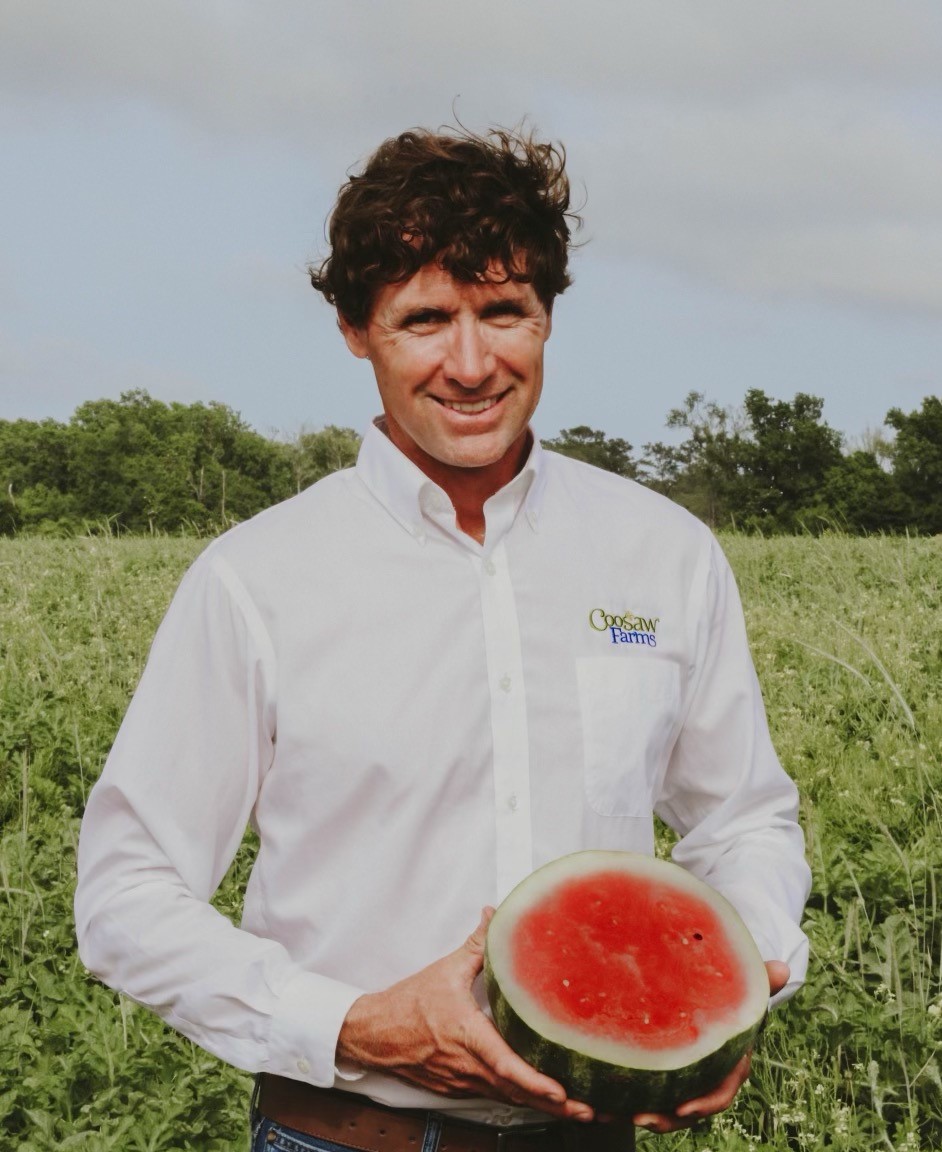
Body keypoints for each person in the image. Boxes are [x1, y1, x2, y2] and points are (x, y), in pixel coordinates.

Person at [75, 124, 810, 1152]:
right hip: (342, 1137)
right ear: (355, 329)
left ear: (547, 314)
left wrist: (742, 969)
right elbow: (126, 892)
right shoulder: (255, 580)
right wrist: (351, 1025)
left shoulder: (666, 555)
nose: (470, 364)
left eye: (502, 312)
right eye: (424, 319)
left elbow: (743, 822)